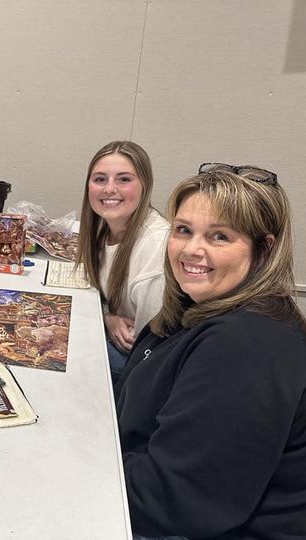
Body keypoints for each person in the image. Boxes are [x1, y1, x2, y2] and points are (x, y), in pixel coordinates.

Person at [116, 164, 306, 539]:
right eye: (183, 230)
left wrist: (74, 463)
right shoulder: (197, 306)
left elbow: (174, 501)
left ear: (264, 249)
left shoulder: (247, 345)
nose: (191, 250)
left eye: (220, 236)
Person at [75, 141, 170, 382]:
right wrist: (108, 318)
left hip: (140, 365)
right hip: (118, 342)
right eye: (100, 179)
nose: (109, 189)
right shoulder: (104, 230)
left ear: (145, 185)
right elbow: (98, 293)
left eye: (124, 179)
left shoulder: (156, 245)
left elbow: (156, 345)